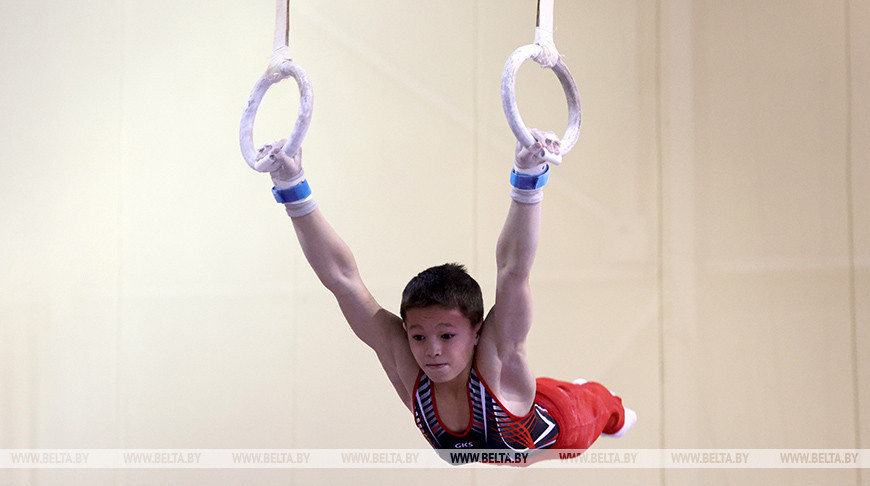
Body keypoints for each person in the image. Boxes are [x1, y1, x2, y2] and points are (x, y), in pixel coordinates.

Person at [254, 131, 636, 464]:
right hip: (506, 443)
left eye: (447, 335)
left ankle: (612, 408)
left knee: (605, 409)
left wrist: (528, 178)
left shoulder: (495, 357)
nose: (431, 350)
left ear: (477, 332)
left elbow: (514, 270)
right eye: (418, 336)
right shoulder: (405, 359)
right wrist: (291, 187)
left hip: (561, 422)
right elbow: (342, 279)